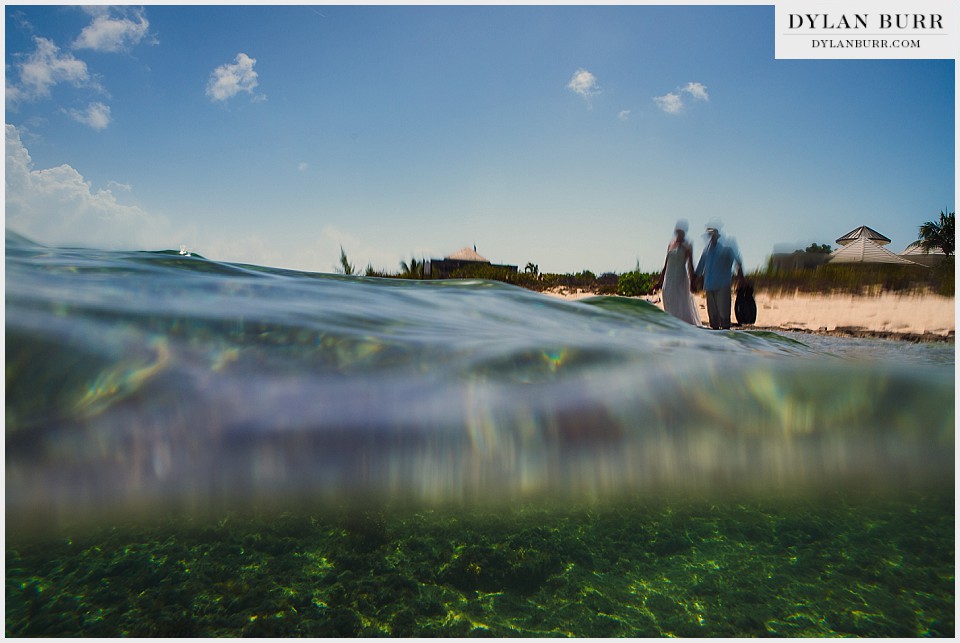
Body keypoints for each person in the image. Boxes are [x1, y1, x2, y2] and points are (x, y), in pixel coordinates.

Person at [695, 220, 745, 330]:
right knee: (713, 321)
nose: (710, 235)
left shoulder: (728, 245)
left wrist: (742, 280)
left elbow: (738, 262)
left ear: (718, 233)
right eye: (709, 233)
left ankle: (725, 344)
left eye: (712, 232)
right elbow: (700, 268)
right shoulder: (706, 249)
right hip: (709, 286)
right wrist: (693, 282)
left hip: (723, 285)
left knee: (724, 319)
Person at [654, 219, 701, 326]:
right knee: (669, 299)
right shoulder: (671, 244)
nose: (678, 233)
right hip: (669, 278)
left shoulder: (688, 244)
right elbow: (665, 264)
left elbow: (690, 264)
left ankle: (682, 326)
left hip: (680, 277)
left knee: (680, 303)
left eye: (681, 231)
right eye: (677, 231)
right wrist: (659, 282)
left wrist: (692, 281)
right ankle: (672, 325)